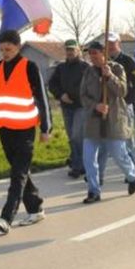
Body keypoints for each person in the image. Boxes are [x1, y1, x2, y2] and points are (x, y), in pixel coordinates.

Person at [0, 30, 52, 234]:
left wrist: (45, 128)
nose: (4, 53)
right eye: (1, 50)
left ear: (18, 47)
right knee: (20, 172)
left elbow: (42, 99)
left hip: (25, 130)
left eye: (8, 49)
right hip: (5, 129)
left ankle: (6, 217)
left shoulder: (30, 67)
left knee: (17, 174)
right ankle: (36, 207)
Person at [79, 41, 135, 204]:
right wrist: (95, 106)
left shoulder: (117, 68)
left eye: (95, 53)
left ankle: (133, 175)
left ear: (103, 53)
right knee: (89, 158)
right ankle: (94, 191)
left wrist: (110, 77)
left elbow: (122, 91)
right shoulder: (88, 72)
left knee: (119, 155)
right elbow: (83, 96)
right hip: (93, 122)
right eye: (90, 53)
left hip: (113, 120)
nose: (92, 56)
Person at [48, 40, 89, 178]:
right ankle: (79, 163)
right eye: (67, 50)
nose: (70, 52)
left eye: (72, 49)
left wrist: (78, 97)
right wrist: (60, 95)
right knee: (72, 137)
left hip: (81, 107)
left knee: (77, 135)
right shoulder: (61, 68)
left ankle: (78, 166)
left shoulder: (85, 67)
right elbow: (52, 84)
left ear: (78, 50)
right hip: (66, 107)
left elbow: (90, 87)